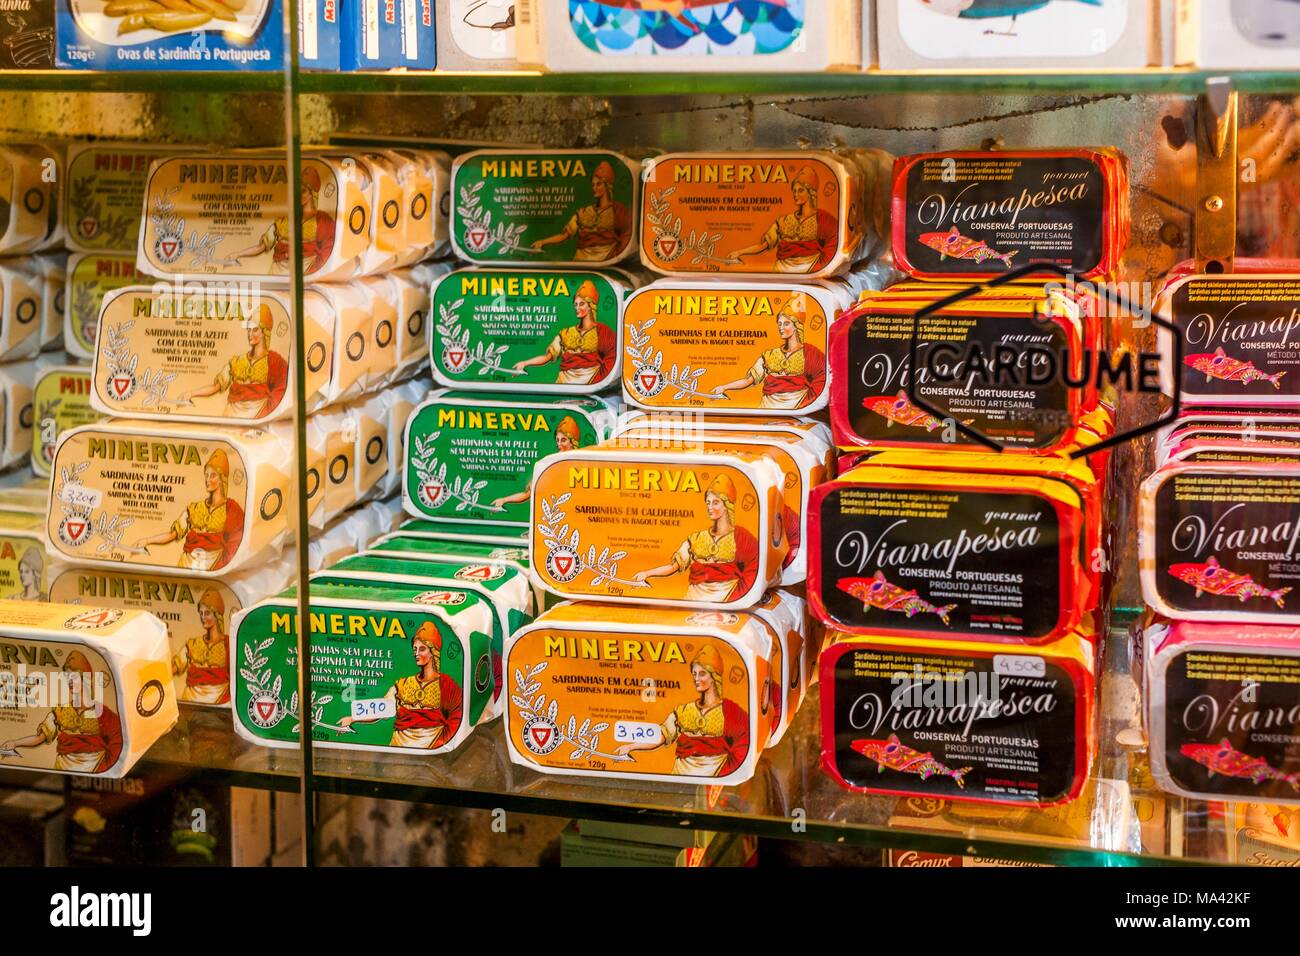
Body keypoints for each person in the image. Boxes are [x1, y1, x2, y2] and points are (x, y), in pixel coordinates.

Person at [613, 644, 750, 777]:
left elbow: (746, 741)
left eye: (702, 674)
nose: (696, 679)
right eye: (694, 674)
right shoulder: (684, 711)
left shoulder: (730, 711)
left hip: (715, 775)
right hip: (681, 774)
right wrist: (631, 747)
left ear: (714, 677)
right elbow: (661, 735)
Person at [632, 474, 758, 603]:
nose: (710, 507)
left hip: (727, 601)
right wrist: (647, 573)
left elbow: (755, 569)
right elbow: (673, 567)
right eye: (708, 502)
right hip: (694, 600)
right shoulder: (696, 538)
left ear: (727, 505)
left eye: (716, 502)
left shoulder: (741, 538)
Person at [338, 622, 463, 749]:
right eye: (415, 649)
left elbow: (458, 716)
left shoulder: (446, 684)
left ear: (433, 652)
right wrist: (352, 718)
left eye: (422, 649)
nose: (416, 653)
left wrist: (442, 743)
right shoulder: (403, 684)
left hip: (432, 747)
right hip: (399, 745)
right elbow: (382, 708)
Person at [1, 651, 122, 774]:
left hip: (96, 768)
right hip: (63, 769)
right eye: (67, 677)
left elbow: (118, 740)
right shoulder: (61, 711)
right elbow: (39, 738)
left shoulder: (101, 712)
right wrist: (15, 743)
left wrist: (105, 767)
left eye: (74, 677)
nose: (69, 681)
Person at [132, 449, 244, 572]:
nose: (207, 480)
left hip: (214, 567)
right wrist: (147, 541)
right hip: (186, 564)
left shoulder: (231, 510)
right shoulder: (194, 508)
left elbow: (237, 543)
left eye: (212, 475)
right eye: (206, 475)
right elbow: (172, 535)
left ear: (221, 478)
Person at [178, 303, 288, 419]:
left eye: (255, 330)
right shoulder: (237, 361)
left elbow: (282, 391)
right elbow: (216, 387)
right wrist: (191, 393)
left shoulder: (274, 361)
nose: (250, 334)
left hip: (258, 416)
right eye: (248, 330)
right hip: (232, 415)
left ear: (264, 332)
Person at [710, 303, 826, 409]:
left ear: (796, 326)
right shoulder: (769, 355)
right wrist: (724, 387)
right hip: (768, 407)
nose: (781, 327)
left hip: (798, 406)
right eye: (779, 324)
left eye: (786, 323)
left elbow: (824, 377)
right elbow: (747, 381)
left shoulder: (810, 353)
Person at [728, 165, 838, 274]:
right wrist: (739, 252)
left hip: (811, 267)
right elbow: (762, 246)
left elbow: (836, 241)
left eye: (800, 190)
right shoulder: (783, 220)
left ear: (810, 193)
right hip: (781, 269)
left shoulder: (822, 218)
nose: (795, 194)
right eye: (794, 191)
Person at [228, 165, 336, 275]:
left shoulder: (322, 221)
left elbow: (328, 253)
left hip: (306, 272)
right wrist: (237, 254)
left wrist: (312, 273)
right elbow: (261, 247)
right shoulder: (283, 221)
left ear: (312, 194)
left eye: (303, 191)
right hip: (278, 273)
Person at [509, 280, 616, 385]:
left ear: (591, 306)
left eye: (581, 304)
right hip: (564, 382)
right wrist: (525, 363)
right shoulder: (566, 333)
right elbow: (547, 357)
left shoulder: (602, 331)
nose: (577, 308)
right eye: (575, 304)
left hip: (592, 381)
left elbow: (613, 357)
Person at [528, 160, 630, 262]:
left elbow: (627, 234)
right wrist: (542, 242)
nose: (594, 188)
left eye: (598, 184)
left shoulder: (618, 210)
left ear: (607, 186)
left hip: (606, 259)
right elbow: (564, 235)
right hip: (581, 260)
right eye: (593, 185)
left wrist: (617, 255)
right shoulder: (583, 212)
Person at [491, 415, 583, 510]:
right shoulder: (550, 464)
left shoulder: (583, 462)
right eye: (557, 440)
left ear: (572, 442)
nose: (559, 444)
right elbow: (526, 494)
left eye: (563, 440)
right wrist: (504, 500)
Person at [172, 589, 231, 705]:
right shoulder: (193, 644)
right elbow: (176, 666)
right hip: (190, 699)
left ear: (217, 615)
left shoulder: (228, 644)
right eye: (201, 613)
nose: (203, 617)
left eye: (207, 613)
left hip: (221, 701)